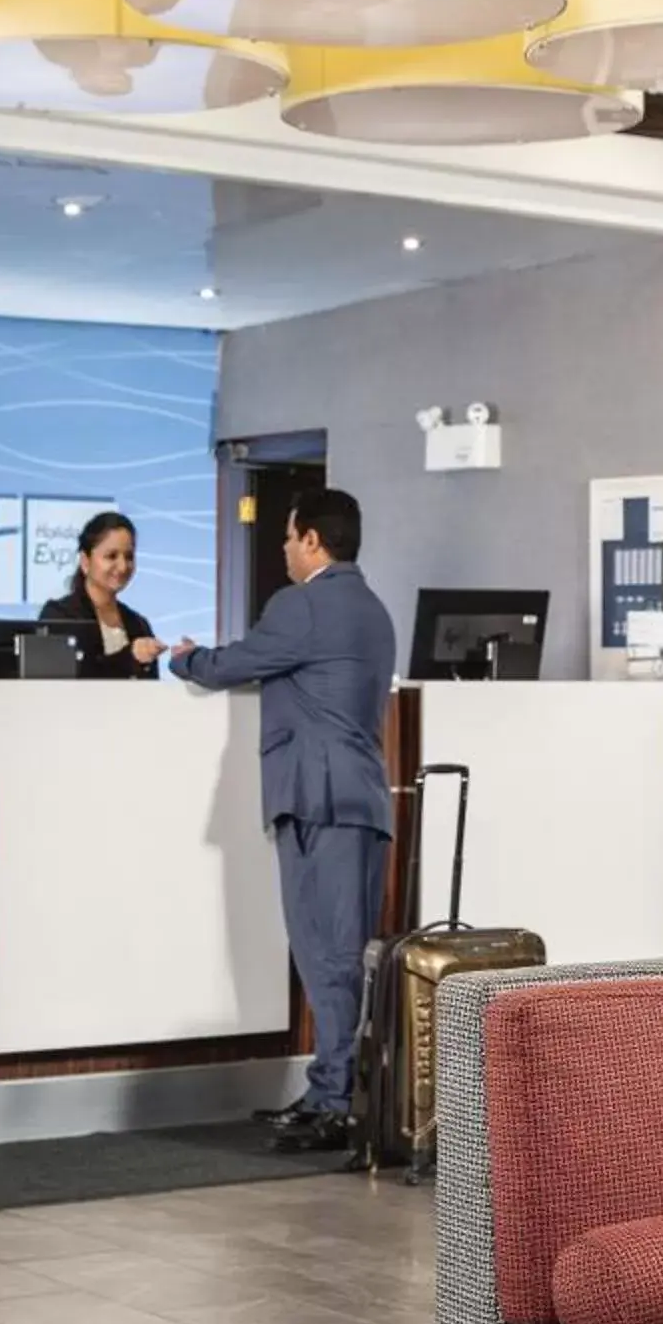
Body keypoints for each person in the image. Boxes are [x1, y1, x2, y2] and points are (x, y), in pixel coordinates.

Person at [167, 490, 396, 1153]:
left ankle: (335, 1104)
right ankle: (333, 1088)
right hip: (357, 799)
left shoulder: (302, 604)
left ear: (315, 542)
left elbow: (230, 666)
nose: (286, 550)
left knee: (326, 954)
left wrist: (184, 657)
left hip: (318, 799)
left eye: (291, 539)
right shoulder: (372, 608)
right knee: (341, 954)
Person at [35, 510, 163, 679]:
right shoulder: (60, 616)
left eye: (129, 556)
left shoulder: (138, 624)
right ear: (85, 561)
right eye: (111, 556)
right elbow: (75, 678)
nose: (123, 566)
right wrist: (130, 658)